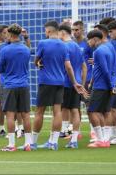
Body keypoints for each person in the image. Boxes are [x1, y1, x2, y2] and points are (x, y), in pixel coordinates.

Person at [32, 20, 86, 151]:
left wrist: (38, 63)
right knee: (60, 111)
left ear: (49, 31)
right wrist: (76, 83)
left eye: (45, 31)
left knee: (40, 111)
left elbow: (36, 61)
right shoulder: (66, 46)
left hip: (47, 81)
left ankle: (32, 142)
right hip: (62, 82)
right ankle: (54, 142)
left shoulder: (43, 43)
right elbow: (72, 66)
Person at [0, 24, 32, 152]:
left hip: (10, 85)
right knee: (26, 115)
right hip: (24, 84)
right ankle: (28, 144)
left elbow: (0, 69)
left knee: (10, 116)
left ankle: (11, 145)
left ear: (10, 34)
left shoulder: (5, 50)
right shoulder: (26, 49)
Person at [58, 24, 87, 148]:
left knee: (61, 108)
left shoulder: (63, 46)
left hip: (66, 82)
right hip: (77, 82)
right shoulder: (77, 46)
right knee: (74, 110)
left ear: (62, 33)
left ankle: (63, 132)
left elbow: (66, 66)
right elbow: (84, 66)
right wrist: (82, 83)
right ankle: (73, 138)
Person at [86, 29, 116, 148]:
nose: (88, 42)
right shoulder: (110, 48)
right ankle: (105, 140)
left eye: (89, 39)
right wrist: (112, 85)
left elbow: (105, 70)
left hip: (101, 86)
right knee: (106, 111)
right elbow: (112, 68)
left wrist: (110, 85)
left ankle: (100, 139)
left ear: (94, 39)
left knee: (91, 111)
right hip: (107, 84)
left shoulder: (98, 51)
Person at [71, 20, 95, 141]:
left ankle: (93, 131)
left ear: (82, 30)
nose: (74, 32)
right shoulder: (71, 44)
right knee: (75, 107)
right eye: (73, 30)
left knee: (89, 105)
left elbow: (94, 59)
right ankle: (77, 132)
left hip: (87, 78)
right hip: (75, 79)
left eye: (77, 30)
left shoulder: (88, 44)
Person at [108, 20, 116, 144]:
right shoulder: (115, 43)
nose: (110, 34)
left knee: (113, 108)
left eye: (111, 32)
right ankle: (113, 134)